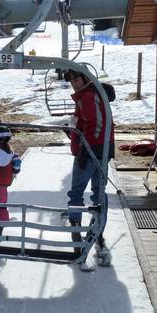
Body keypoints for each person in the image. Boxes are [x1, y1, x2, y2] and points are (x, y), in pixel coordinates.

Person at [64, 69, 115, 267]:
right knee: (99, 192)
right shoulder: (93, 95)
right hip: (99, 151)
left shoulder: (87, 96)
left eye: (76, 79)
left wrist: (86, 149)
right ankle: (98, 230)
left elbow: (97, 124)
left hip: (90, 153)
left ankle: (76, 228)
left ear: (85, 78)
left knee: (77, 191)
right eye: (71, 81)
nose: (74, 84)